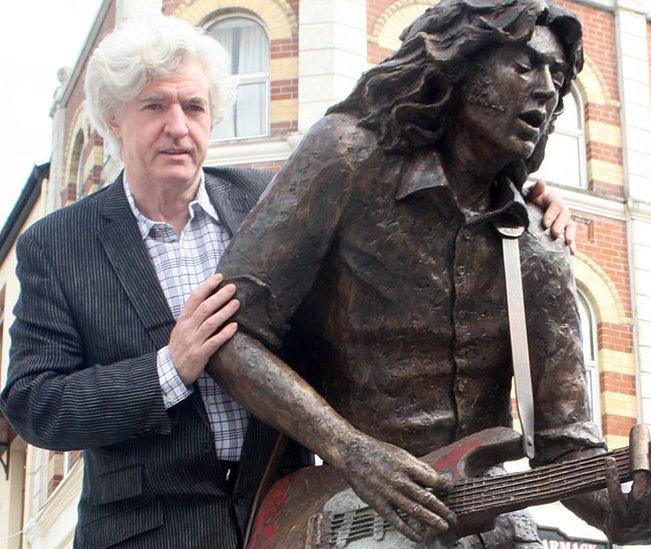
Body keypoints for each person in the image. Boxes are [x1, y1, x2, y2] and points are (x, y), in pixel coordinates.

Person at [0, 13, 576, 548]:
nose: (177, 127)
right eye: (154, 107)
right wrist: (167, 371)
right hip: (147, 527)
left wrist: (523, 196)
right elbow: (35, 404)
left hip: (287, 515)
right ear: (111, 122)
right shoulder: (58, 246)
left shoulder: (265, 197)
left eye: (194, 108)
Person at [209, 0, 651, 546]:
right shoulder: (345, 159)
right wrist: (349, 448)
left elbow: (563, 446)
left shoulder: (539, 247)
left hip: (489, 524)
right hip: (350, 517)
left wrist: (629, 517)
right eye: (524, 63)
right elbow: (232, 337)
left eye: (557, 76)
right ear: (460, 61)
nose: (547, 89)